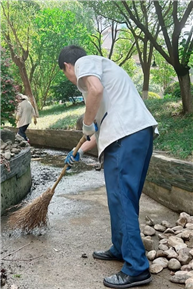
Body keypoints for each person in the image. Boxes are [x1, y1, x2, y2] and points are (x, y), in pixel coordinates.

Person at [58, 45, 159, 289]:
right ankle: (121, 247)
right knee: (122, 198)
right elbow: (97, 132)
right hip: (133, 134)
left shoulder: (85, 63)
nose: (71, 78)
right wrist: (78, 152)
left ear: (68, 66)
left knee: (122, 198)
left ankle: (136, 268)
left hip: (126, 135)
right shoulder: (103, 77)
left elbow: (95, 92)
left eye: (66, 73)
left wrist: (86, 121)